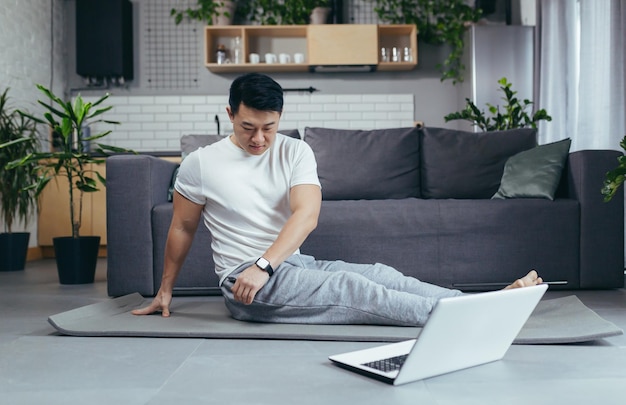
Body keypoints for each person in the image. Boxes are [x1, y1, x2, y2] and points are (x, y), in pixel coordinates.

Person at [132, 73, 543, 326]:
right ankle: (477, 317)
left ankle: (482, 306)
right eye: (247, 127)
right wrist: (166, 289)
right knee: (352, 288)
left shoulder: (295, 152)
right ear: (229, 114)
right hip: (245, 285)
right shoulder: (202, 163)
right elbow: (183, 227)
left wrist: (266, 264)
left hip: (287, 265)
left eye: (269, 128)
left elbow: (306, 216)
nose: (258, 139)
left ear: (281, 118)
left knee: (381, 276)